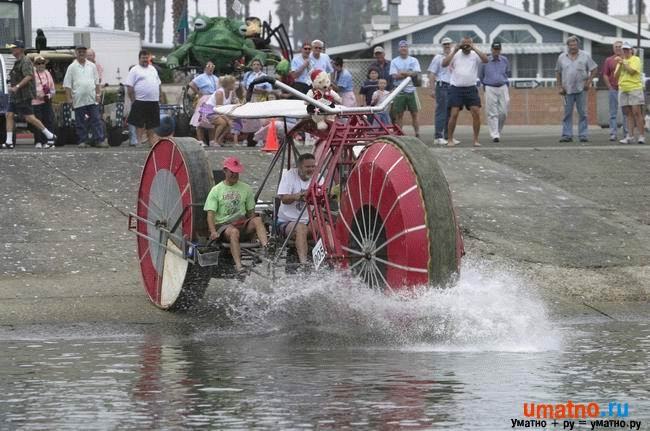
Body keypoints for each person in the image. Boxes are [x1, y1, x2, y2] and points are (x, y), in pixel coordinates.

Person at [204, 157, 269, 277]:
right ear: (225, 171)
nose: (235, 174)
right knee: (233, 232)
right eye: (232, 172)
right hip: (223, 225)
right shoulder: (216, 190)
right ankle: (239, 266)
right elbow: (210, 214)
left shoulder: (246, 188)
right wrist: (213, 232)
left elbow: (251, 213)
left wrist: (254, 234)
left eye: (237, 172)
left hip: (241, 223)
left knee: (258, 220)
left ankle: (266, 248)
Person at [2, 40, 57, 149]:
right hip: (15, 96)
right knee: (9, 115)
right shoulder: (17, 62)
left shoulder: (25, 61)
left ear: (20, 49)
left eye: (14, 48)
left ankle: (50, 135)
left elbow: (28, 76)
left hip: (23, 95)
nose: (12, 50)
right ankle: (9, 141)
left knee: (29, 118)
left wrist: (17, 87)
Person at [443, 36, 488, 147]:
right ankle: (450, 139)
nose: (466, 46)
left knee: (476, 112)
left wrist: (474, 48)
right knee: (454, 113)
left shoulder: (474, 55)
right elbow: (444, 64)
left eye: (468, 44)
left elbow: (486, 60)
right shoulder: (456, 54)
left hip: (470, 88)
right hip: (456, 88)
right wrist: (455, 50)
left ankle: (476, 140)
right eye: (464, 44)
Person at [276, 153, 317, 267]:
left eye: (313, 166)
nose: (311, 169)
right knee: (300, 228)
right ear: (299, 167)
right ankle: (304, 264)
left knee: (327, 227)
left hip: (308, 220)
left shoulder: (319, 177)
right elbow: (284, 199)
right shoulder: (290, 176)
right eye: (307, 167)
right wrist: (298, 196)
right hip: (287, 222)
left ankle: (335, 260)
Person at [63, 44, 107, 148]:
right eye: (79, 51)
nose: (81, 53)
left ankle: (99, 140)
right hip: (78, 99)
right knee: (80, 122)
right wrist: (69, 99)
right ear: (76, 53)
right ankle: (82, 141)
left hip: (92, 98)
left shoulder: (92, 66)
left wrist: (98, 94)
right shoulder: (71, 67)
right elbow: (67, 84)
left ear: (86, 53)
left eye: (83, 51)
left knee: (96, 119)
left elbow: (97, 82)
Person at [555, 36, 597, 143]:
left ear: (578, 45)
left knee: (583, 113)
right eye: (571, 45)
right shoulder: (561, 57)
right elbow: (558, 72)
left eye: (575, 44)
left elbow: (594, 69)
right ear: (568, 46)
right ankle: (567, 135)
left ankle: (583, 135)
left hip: (581, 89)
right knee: (567, 113)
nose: (573, 47)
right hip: (566, 90)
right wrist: (559, 86)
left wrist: (589, 82)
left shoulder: (585, 55)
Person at [125, 49, 162, 146]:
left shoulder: (153, 69)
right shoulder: (134, 70)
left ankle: (151, 142)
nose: (145, 60)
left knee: (152, 124)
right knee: (139, 123)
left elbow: (158, 84)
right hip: (140, 100)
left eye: (146, 58)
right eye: (143, 58)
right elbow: (129, 86)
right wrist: (133, 100)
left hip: (153, 100)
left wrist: (160, 96)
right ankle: (139, 142)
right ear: (139, 59)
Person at [479, 41, 510, 143]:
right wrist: (485, 85)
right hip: (489, 87)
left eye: (498, 49)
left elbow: (507, 72)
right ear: (491, 49)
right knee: (492, 112)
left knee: (503, 112)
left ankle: (498, 131)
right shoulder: (485, 60)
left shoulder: (505, 60)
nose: (496, 51)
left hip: (503, 86)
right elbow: (481, 75)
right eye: (494, 49)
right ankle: (494, 135)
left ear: (500, 50)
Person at [389, 40, 422, 138]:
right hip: (399, 90)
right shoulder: (394, 61)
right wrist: (409, 73)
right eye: (401, 47)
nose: (403, 48)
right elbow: (394, 76)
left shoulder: (414, 60)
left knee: (414, 114)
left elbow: (416, 73)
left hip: (411, 90)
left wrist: (403, 72)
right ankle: (400, 134)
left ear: (408, 48)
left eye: (405, 47)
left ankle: (417, 134)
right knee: (399, 114)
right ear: (399, 49)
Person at [615, 41, 645, 144]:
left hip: (634, 88)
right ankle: (630, 136)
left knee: (637, 112)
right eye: (624, 49)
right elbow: (616, 75)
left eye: (627, 49)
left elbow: (632, 72)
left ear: (631, 50)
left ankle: (641, 136)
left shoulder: (635, 59)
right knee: (628, 114)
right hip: (623, 88)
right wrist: (620, 64)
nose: (625, 51)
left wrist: (623, 63)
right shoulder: (621, 61)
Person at [428, 37, 454, 145]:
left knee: (450, 113)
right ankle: (438, 136)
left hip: (452, 86)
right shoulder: (438, 58)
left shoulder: (454, 57)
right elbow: (432, 74)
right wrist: (432, 89)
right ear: (442, 46)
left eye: (448, 44)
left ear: (451, 45)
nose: (447, 46)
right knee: (441, 112)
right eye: (445, 44)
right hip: (442, 85)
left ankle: (448, 136)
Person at [602, 41, 628, 141]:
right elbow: (605, 74)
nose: (618, 48)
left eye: (619, 46)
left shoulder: (627, 59)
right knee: (613, 113)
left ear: (623, 48)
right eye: (616, 47)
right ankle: (613, 133)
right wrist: (609, 87)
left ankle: (626, 133)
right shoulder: (609, 60)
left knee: (626, 112)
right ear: (613, 49)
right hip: (614, 89)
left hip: (625, 89)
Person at [189, 61, 219, 145]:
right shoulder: (201, 77)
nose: (211, 67)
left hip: (213, 99)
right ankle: (201, 140)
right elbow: (191, 84)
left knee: (211, 120)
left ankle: (212, 140)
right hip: (205, 98)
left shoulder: (215, 78)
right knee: (200, 120)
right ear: (205, 67)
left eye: (212, 66)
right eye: (209, 65)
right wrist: (198, 92)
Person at [205, 74, 238, 147]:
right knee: (223, 122)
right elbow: (219, 109)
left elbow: (234, 102)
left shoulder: (231, 92)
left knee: (231, 124)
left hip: (221, 112)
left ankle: (220, 139)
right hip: (210, 111)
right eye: (233, 84)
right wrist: (228, 120)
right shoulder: (219, 93)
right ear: (228, 84)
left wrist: (236, 99)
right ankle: (215, 141)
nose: (234, 85)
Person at [31, 56, 56, 149]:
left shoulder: (47, 73)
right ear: (35, 65)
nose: (41, 65)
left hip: (46, 101)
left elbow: (52, 88)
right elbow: (30, 88)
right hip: (35, 102)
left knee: (48, 120)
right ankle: (38, 141)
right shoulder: (32, 74)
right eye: (38, 63)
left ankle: (49, 141)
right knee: (37, 121)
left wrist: (49, 95)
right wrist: (37, 95)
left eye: (42, 63)